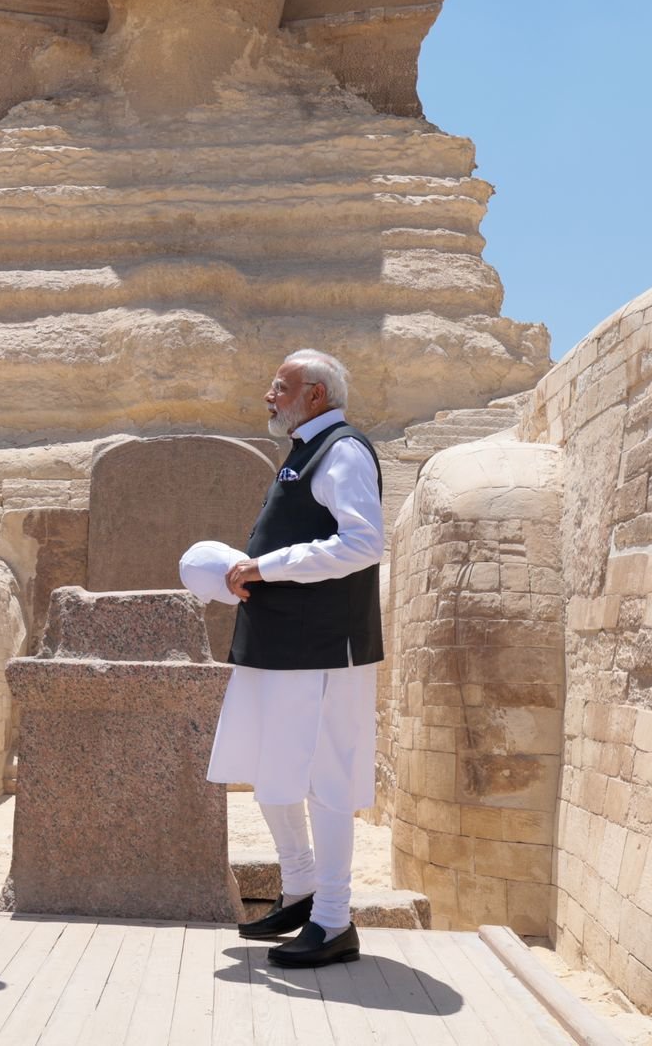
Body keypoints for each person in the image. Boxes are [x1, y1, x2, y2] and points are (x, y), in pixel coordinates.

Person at [203, 349, 385, 968]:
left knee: (326, 779)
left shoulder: (343, 449)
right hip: (277, 647)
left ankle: (334, 921)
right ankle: (303, 894)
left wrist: (267, 566)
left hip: (324, 649)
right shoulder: (304, 450)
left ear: (314, 393)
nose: (268, 395)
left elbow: (363, 542)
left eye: (279, 386)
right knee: (270, 767)